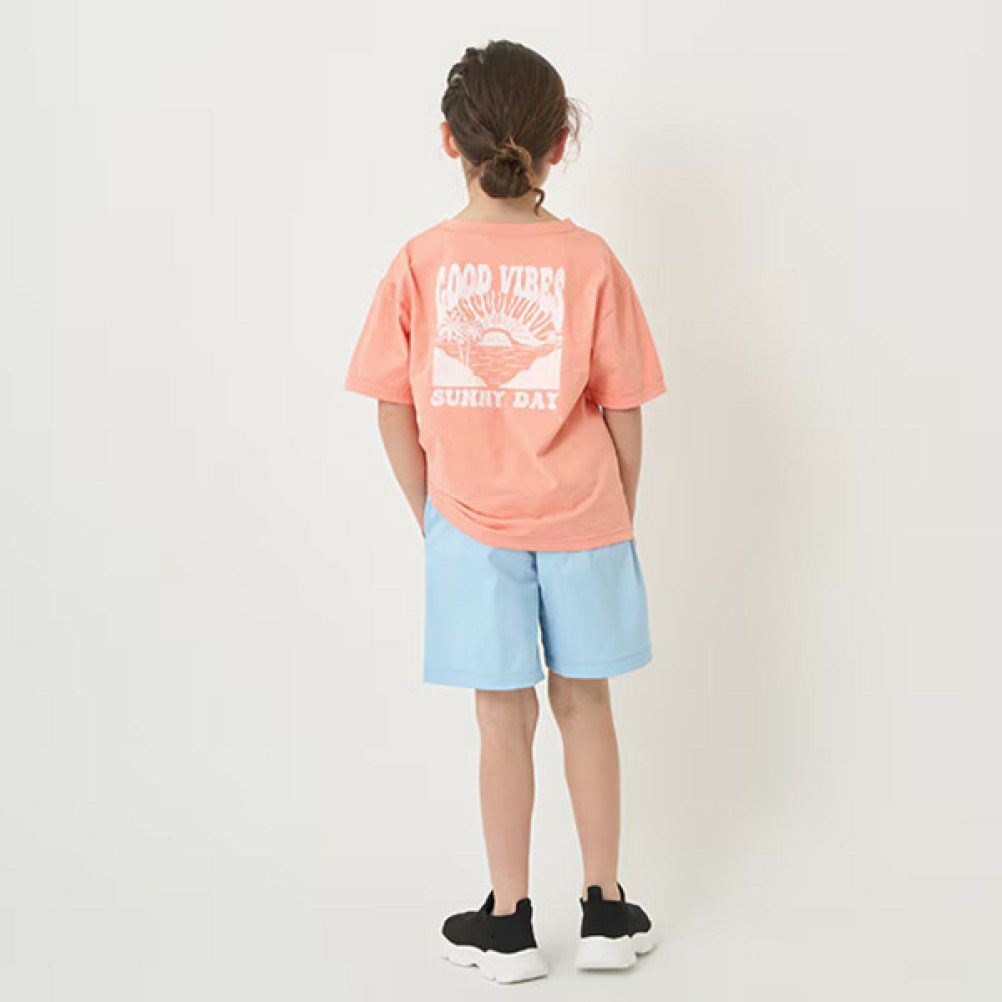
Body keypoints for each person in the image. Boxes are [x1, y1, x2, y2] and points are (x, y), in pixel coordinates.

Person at [344, 39, 665, 983]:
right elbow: (623, 409)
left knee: (501, 720)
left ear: (449, 140)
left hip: (469, 522)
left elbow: (392, 408)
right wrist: (614, 509)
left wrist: (434, 514)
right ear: (561, 144)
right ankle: (605, 910)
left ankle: (509, 920)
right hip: (585, 518)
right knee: (587, 704)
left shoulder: (420, 262)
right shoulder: (590, 260)